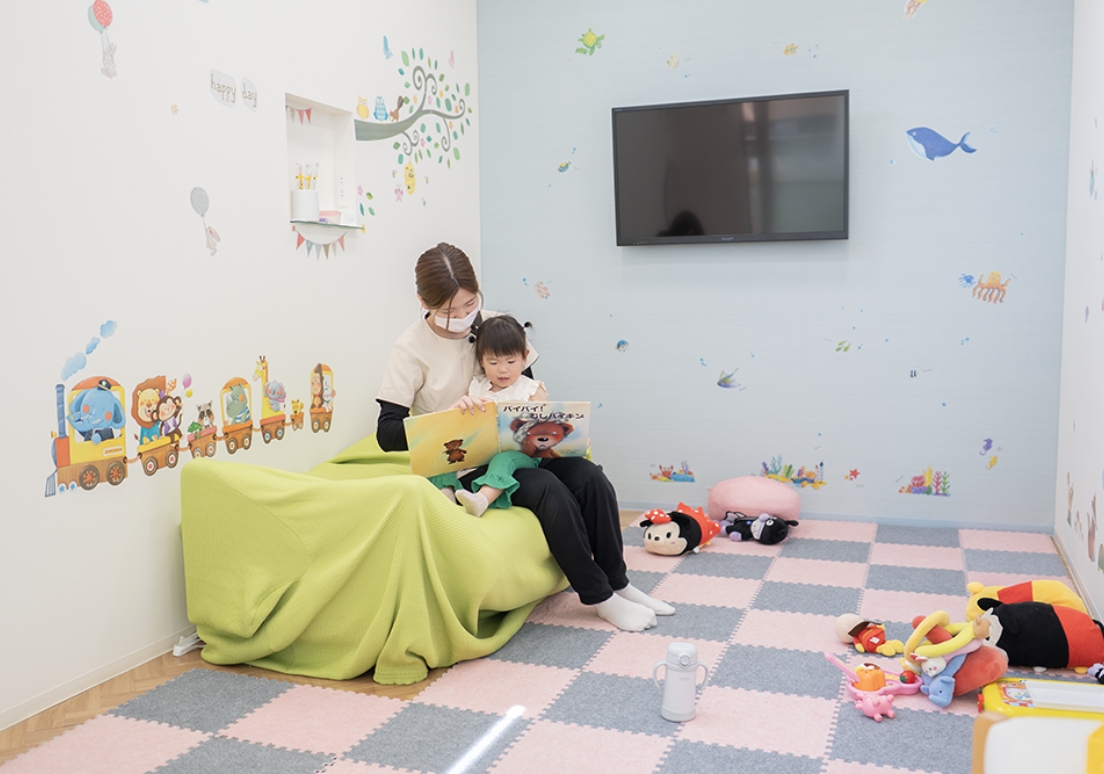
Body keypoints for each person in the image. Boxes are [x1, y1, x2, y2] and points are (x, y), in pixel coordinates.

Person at [376, 242, 674, 632]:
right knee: (548, 489)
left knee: (591, 478)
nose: (464, 317)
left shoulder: (495, 324)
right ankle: (600, 597)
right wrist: (447, 419)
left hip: (521, 447)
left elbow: (526, 391)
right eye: (451, 311)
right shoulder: (410, 348)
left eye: (470, 304)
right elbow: (387, 433)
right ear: (423, 302)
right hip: (469, 462)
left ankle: (619, 583)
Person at [429, 314, 547, 518]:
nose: (502, 370)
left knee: (503, 459)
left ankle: (482, 500)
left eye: (511, 361)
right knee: (441, 457)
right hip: (481, 453)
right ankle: (447, 493)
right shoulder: (477, 387)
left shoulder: (532, 390)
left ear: (524, 357)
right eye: (493, 362)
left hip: (518, 455)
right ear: (481, 360)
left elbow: (547, 427)